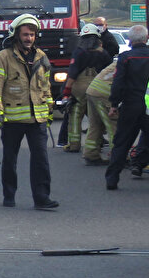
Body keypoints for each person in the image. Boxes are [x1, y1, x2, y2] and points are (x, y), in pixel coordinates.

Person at [0, 14, 57, 210]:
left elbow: (46, 86)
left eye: (32, 35)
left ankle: (42, 198)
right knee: (10, 159)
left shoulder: (41, 57)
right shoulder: (3, 57)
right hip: (12, 119)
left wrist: (50, 108)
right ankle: (9, 195)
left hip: (37, 119)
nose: (29, 38)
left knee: (41, 159)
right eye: (26, 34)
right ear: (16, 35)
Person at [104, 25, 149, 190]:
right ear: (146, 38)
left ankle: (112, 179)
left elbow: (118, 83)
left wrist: (114, 104)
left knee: (122, 143)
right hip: (148, 108)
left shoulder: (126, 58)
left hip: (130, 105)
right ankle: (139, 164)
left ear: (130, 40)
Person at [61, 24, 111, 152]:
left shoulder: (79, 52)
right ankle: (97, 143)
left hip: (79, 88)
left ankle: (74, 145)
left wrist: (66, 91)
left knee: (75, 115)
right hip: (97, 88)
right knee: (96, 118)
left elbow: (72, 73)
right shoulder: (103, 53)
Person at [82, 60, 118, 166]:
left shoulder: (126, 58)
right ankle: (119, 157)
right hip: (105, 93)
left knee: (95, 125)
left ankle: (91, 155)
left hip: (93, 90)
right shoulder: (137, 60)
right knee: (114, 125)